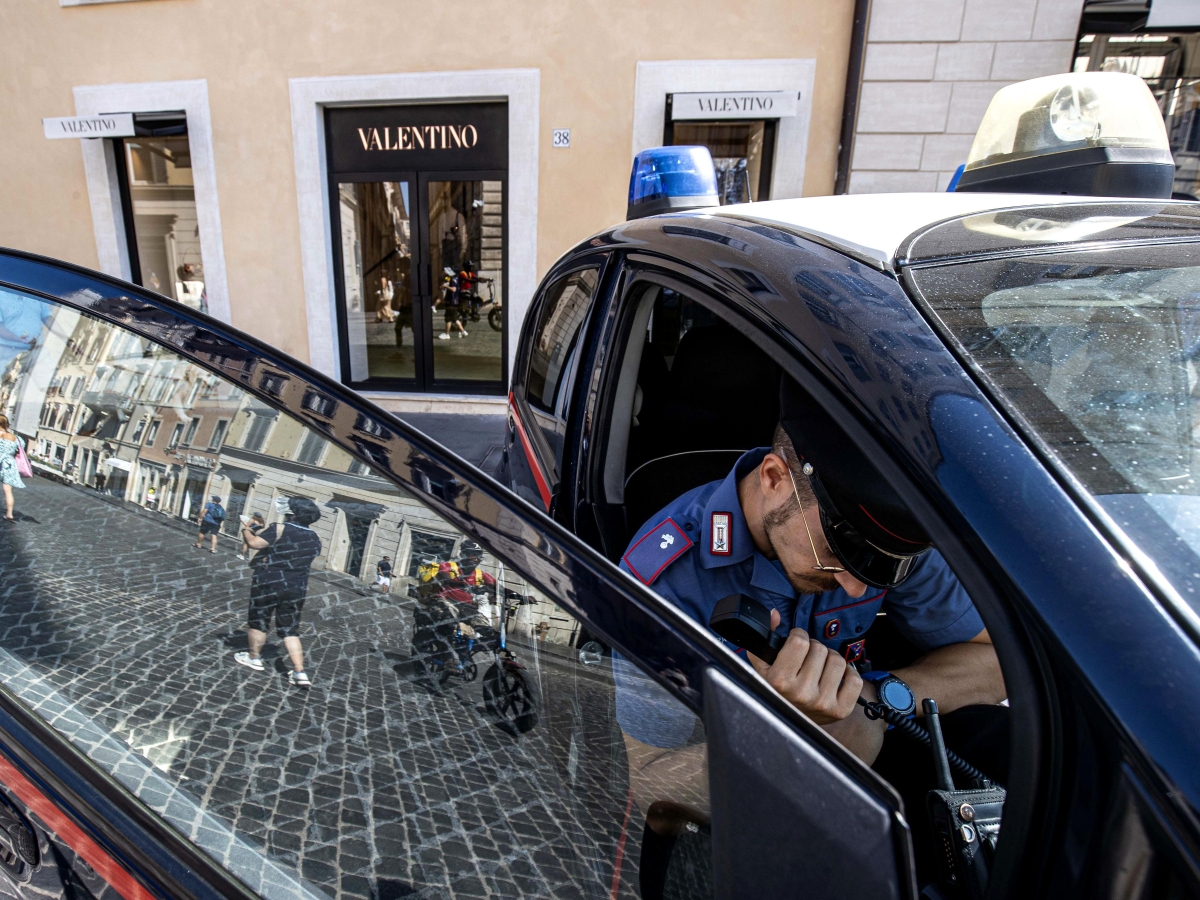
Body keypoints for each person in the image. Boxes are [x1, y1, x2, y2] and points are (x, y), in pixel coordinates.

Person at [614, 378, 1006, 888]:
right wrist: (781, 740)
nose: (851, 581)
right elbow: (652, 793)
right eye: (838, 552)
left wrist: (877, 704)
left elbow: (995, 662)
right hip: (745, 808)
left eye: (876, 567)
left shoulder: (884, 532)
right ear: (774, 477)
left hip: (869, 783)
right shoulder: (665, 581)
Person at [234, 496, 323, 688]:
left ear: (292, 513)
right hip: (296, 587)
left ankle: (254, 657)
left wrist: (246, 529)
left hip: (269, 581)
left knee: (259, 620)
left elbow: (255, 544)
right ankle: (300, 672)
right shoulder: (315, 538)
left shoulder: (280, 528)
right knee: (290, 630)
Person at [0, 414, 27, 522]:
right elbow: (20, 449)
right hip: (10, 463)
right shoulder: (16, 438)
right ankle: (9, 514)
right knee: (8, 491)